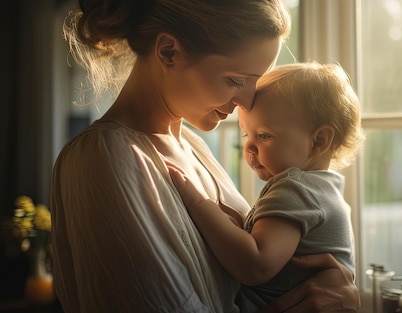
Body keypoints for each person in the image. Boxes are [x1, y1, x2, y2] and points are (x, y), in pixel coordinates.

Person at [50, 1, 360, 312]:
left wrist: (342, 298)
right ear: (169, 51)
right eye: (236, 80)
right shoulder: (106, 158)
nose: (247, 101)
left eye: (254, 82)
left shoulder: (194, 147)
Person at [168, 62, 365, 312]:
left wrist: (198, 202)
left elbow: (256, 264)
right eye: (246, 135)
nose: (249, 148)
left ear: (319, 141)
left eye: (263, 136)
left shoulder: (297, 189)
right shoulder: (323, 189)